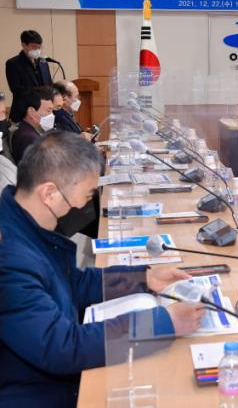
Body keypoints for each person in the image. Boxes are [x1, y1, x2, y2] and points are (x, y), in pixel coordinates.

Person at [0, 131, 205, 407]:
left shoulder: (24, 223)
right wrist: (163, 323)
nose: (86, 204)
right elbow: (62, 347)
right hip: (38, 393)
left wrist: (144, 278)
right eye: (87, 195)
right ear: (49, 193)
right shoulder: (10, 259)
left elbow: (73, 282)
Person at [5, 30, 53, 123]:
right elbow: (16, 89)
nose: (37, 50)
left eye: (39, 47)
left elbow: (49, 83)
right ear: (24, 45)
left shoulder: (43, 62)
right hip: (24, 113)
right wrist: (40, 91)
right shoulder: (13, 63)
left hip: (44, 112)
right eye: (34, 47)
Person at [10, 86, 55, 164]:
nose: (52, 115)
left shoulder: (28, 131)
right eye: (48, 111)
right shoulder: (28, 138)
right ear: (32, 112)